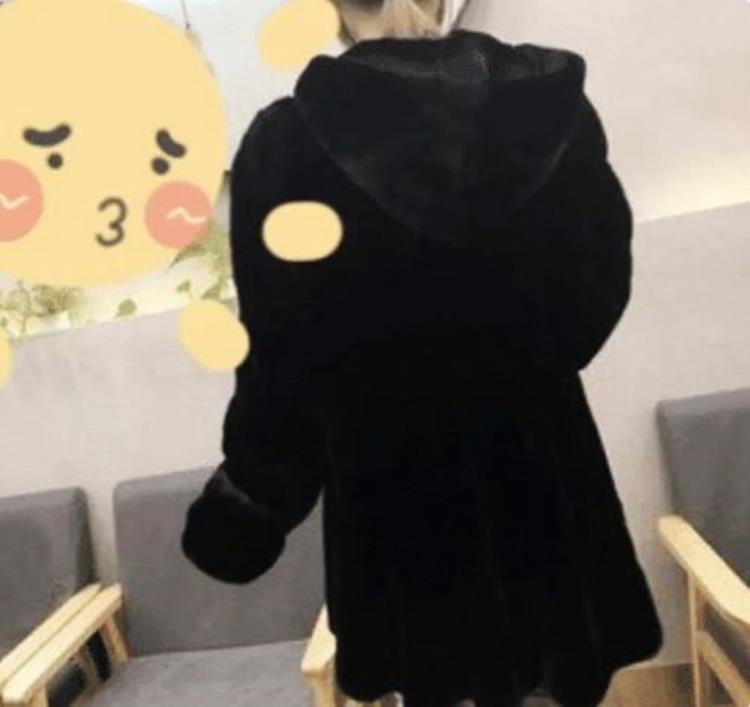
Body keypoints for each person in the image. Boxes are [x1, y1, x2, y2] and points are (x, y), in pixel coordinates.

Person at [180, 1, 664, 705]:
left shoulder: (287, 147)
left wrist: (250, 507)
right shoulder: (546, 109)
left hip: (398, 508)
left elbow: (281, 369)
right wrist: (516, 360)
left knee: (441, 681)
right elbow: (595, 295)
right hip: (545, 482)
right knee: (559, 674)